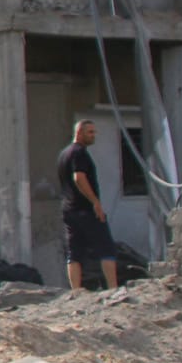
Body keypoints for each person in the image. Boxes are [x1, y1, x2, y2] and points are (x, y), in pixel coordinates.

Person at [56, 118, 120, 292]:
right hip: (85, 209)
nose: (94, 135)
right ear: (79, 133)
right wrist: (95, 202)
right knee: (106, 247)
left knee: (74, 252)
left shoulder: (64, 154)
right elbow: (79, 177)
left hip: (69, 210)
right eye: (90, 132)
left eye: (94, 131)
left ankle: (76, 290)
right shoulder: (79, 153)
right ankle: (113, 288)